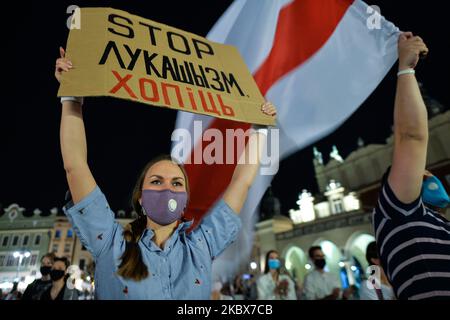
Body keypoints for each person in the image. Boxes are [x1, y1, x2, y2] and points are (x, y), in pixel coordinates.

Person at [55, 48, 277, 299]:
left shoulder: (201, 247)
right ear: (140, 198)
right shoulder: (110, 243)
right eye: (157, 181)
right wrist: (72, 95)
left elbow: (242, 182)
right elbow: (75, 165)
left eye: (176, 183)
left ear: (185, 199)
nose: (167, 189)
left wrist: (261, 129)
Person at [372, 32, 450, 300]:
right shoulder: (398, 210)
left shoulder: (438, 223)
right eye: (422, 171)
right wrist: (406, 68)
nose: (427, 173)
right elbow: (411, 137)